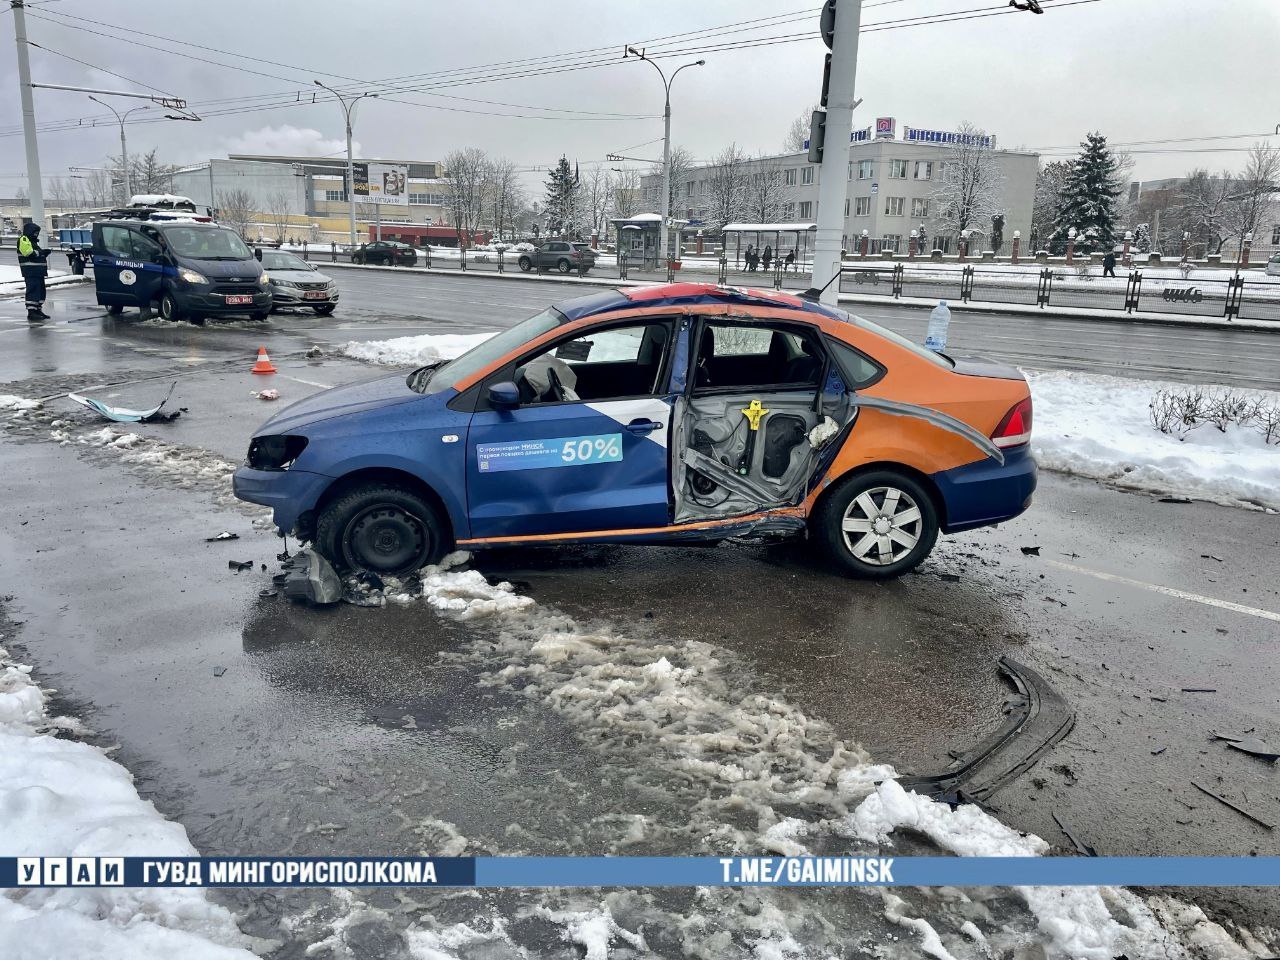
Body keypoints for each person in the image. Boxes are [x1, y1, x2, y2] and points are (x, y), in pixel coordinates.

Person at [17, 222, 50, 322]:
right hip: (31, 271)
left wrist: (43, 253)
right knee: (33, 290)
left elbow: (34, 253)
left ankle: (37, 309)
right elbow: (28, 252)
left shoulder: (33, 241)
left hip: (38, 272)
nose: (36, 234)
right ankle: (31, 312)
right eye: (35, 232)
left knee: (40, 291)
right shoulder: (24, 239)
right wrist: (41, 253)